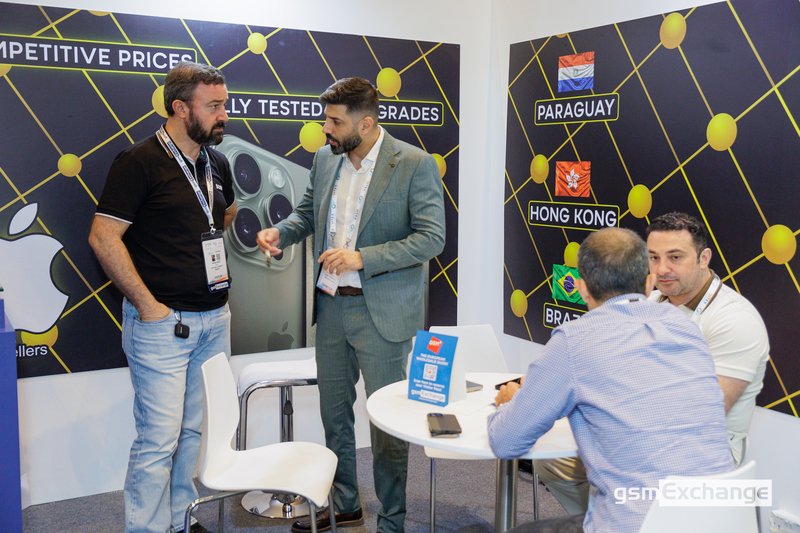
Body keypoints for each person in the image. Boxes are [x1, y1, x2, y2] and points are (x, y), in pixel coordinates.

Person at [256, 77, 445, 533]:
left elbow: (431, 238)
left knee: (387, 422)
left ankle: (393, 519)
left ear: (366, 123)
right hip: (331, 308)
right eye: (326, 119)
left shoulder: (414, 163)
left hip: (382, 313)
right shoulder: (326, 159)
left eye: (335, 121)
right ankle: (345, 503)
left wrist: (363, 258)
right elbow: (308, 213)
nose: (325, 128)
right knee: (334, 416)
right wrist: (282, 231)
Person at [488, 227, 733, 533]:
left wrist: (508, 403)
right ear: (649, 283)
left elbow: (505, 441)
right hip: (724, 520)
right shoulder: (685, 328)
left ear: (581, 288)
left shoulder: (574, 340)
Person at [532, 213, 770, 516]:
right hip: (641, 436)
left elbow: (699, 416)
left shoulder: (735, 320)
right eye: (654, 258)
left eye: (675, 257)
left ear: (704, 258)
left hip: (698, 455)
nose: (661, 269)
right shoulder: (650, 300)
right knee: (551, 462)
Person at [89, 61, 236, 533]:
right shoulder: (138, 162)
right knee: (158, 440)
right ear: (180, 107)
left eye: (225, 104)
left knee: (191, 431)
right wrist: (149, 306)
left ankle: (179, 520)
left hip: (214, 320)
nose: (224, 115)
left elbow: (225, 215)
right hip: (163, 325)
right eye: (214, 106)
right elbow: (103, 237)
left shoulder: (217, 162)